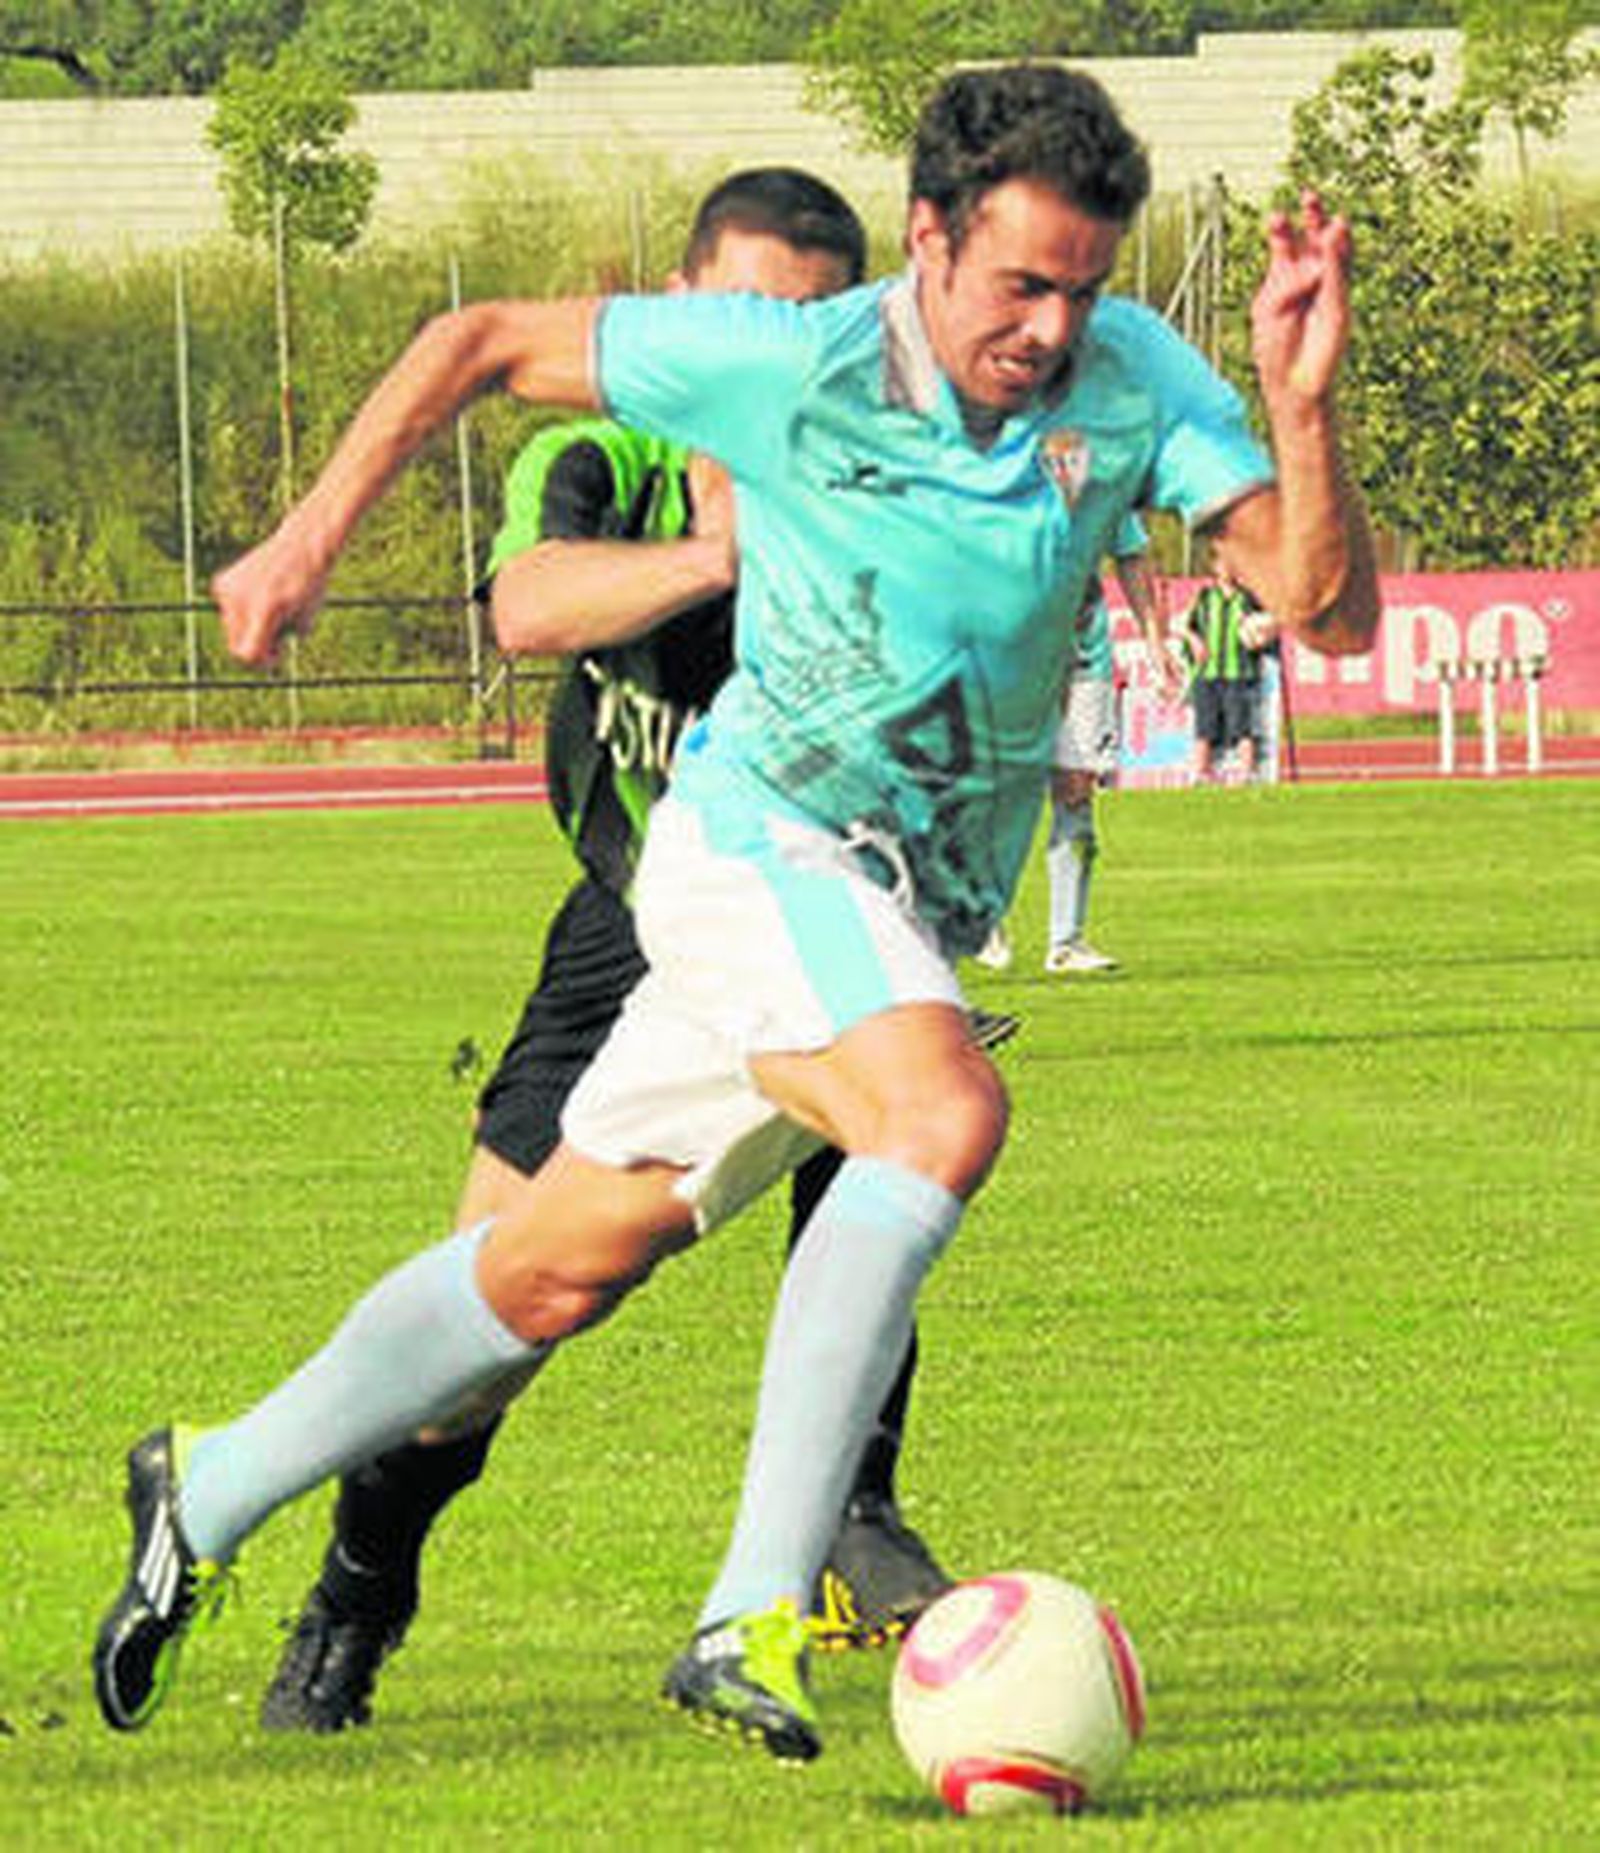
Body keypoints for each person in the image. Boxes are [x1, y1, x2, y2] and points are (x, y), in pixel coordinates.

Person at [94, 63, 1379, 1766]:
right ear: (926, 239)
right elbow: (473, 339)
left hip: (892, 898)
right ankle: (753, 1603)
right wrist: (303, 540)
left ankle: (212, 1477)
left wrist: (1300, 407)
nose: (1053, 323)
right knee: (941, 1110)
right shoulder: (795, 361)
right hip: (762, 841)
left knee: (558, 1265)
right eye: (1020, 282)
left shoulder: (1134, 380)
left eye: (1082, 284)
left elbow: (1327, 610)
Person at [258, 169, 993, 1738]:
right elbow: (529, 605)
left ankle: (848, 1520)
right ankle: (358, 1586)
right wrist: (721, 558)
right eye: (739, 315)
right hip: (628, 928)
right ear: (675, 316)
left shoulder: (889, 478)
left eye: (807, 323)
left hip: (836, 897)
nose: (769, 352)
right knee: (482, 1335)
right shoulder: (604, 455)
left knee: (887, 1138)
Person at [1044, 523, 1181, 975]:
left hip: (1085, 660)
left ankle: (1066, 940)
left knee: (1077, 792)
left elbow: (1131, 555)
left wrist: (1154, 642)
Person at [1182, 551, 1275, 783]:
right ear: (1214, 567)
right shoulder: (1204, 597)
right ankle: (1201, 773)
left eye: (1232, 563)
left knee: (1241, 726)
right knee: (1204, 727)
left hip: (1238, 672)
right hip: (1207, 671)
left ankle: (1247, 773)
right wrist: (1194, 640)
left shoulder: (1248, 599)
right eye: (1222, 563)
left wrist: (1258, 636)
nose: (1227, 568)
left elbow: (1268, 627)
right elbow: (1185, 627)